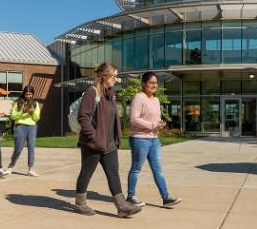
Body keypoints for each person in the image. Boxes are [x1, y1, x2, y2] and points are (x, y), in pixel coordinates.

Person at [75, 63, 141, 218]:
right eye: (114, 76)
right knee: (86, 172)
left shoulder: (109, 94)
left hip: (109, 143)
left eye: (116, 76)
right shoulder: (92, 93)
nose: (115, 80)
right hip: (93, 143)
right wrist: (94, 137)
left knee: (113, 173)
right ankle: (80, 204)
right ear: (104, 76)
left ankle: (122, 206)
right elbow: (83, 117)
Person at [127, 72, 181, 207]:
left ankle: (166, 197)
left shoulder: (156, 100)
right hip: (140, 139)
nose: (153, 85)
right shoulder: (139, 97)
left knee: (158, 170)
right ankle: (131, 196)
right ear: (143, 84)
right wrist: (152, 125)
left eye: (155, 83)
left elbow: (154, 119)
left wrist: (159, 124)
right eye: (150, 83)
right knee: (136, 169)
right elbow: (134, 119)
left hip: (154, 139)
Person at [6, 86, 40, 177]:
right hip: (20, 126)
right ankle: (11, 166)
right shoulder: (18, 103)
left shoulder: (35, 103)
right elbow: (13, 116)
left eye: (30, 94)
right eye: (26, 94)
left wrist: (32, 112)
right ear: (24, 94)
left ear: (33, 94)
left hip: (32, 127)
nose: (28, 96)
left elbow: (37, 118)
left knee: (31, 147)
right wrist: (23, 111)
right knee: (19, 148)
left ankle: (31, 169)